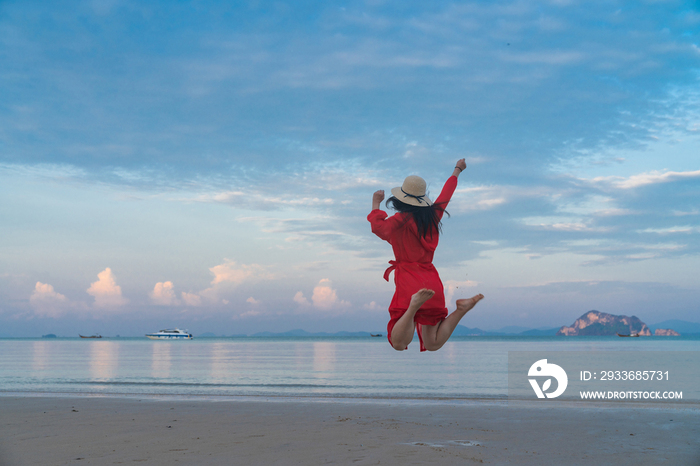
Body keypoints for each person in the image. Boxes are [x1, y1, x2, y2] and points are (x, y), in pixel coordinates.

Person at [367, 158, 484, 352]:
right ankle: (461, 309)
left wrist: (375, 203)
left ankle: (413, 307)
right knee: (433, 344)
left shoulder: (398, 221)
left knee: (398, 343)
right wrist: (457, 170)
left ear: (400, 199)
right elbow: (446, 195)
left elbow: (377, 227)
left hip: (409, 281)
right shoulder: (432, 218)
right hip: (431, 282)